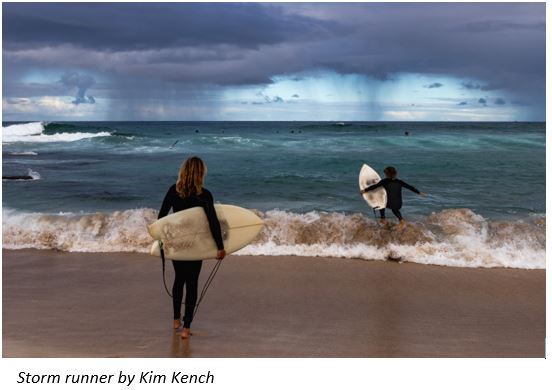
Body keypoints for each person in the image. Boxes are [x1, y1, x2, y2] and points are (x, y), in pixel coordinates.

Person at [158, 156, 226, 339]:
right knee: (192, 282)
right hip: (196, 245)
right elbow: (213, 222)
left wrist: (164, 239)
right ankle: (186, 328)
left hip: (178, 244)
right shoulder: (204, 195)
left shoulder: (174, 191)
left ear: (183, 171)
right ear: (200, 173)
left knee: (179, 279)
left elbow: (162, 218)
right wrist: (220, 247)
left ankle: (175, 320)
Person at [360, 166, 425, 227]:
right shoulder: (400, 182)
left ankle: (383, 218)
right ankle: (401, 220)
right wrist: (419, 192)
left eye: (385, 174)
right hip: (398, 204)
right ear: (395, 173)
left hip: (390, 203)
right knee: (395, 210)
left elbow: (375, 186)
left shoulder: (384, 181)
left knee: (381, 204)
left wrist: (365, 190)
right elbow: (410, 187)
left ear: (387, 175)